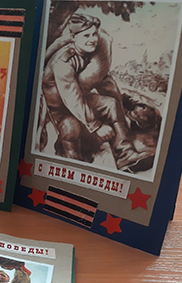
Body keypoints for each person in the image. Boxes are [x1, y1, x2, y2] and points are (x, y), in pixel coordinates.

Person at [39, 12, 151, 171]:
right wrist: (96, 126)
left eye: (94, 34)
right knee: (71, 128)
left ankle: (125, 155)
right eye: (86, 35)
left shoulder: (87, 54)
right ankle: (73, 163)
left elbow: (105, 83)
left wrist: (122, 106)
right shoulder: (63, 61)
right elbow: (71, 97)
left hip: (79, 98)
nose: (92, 39)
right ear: (73, 37)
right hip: (61, 108)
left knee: (111, 104)